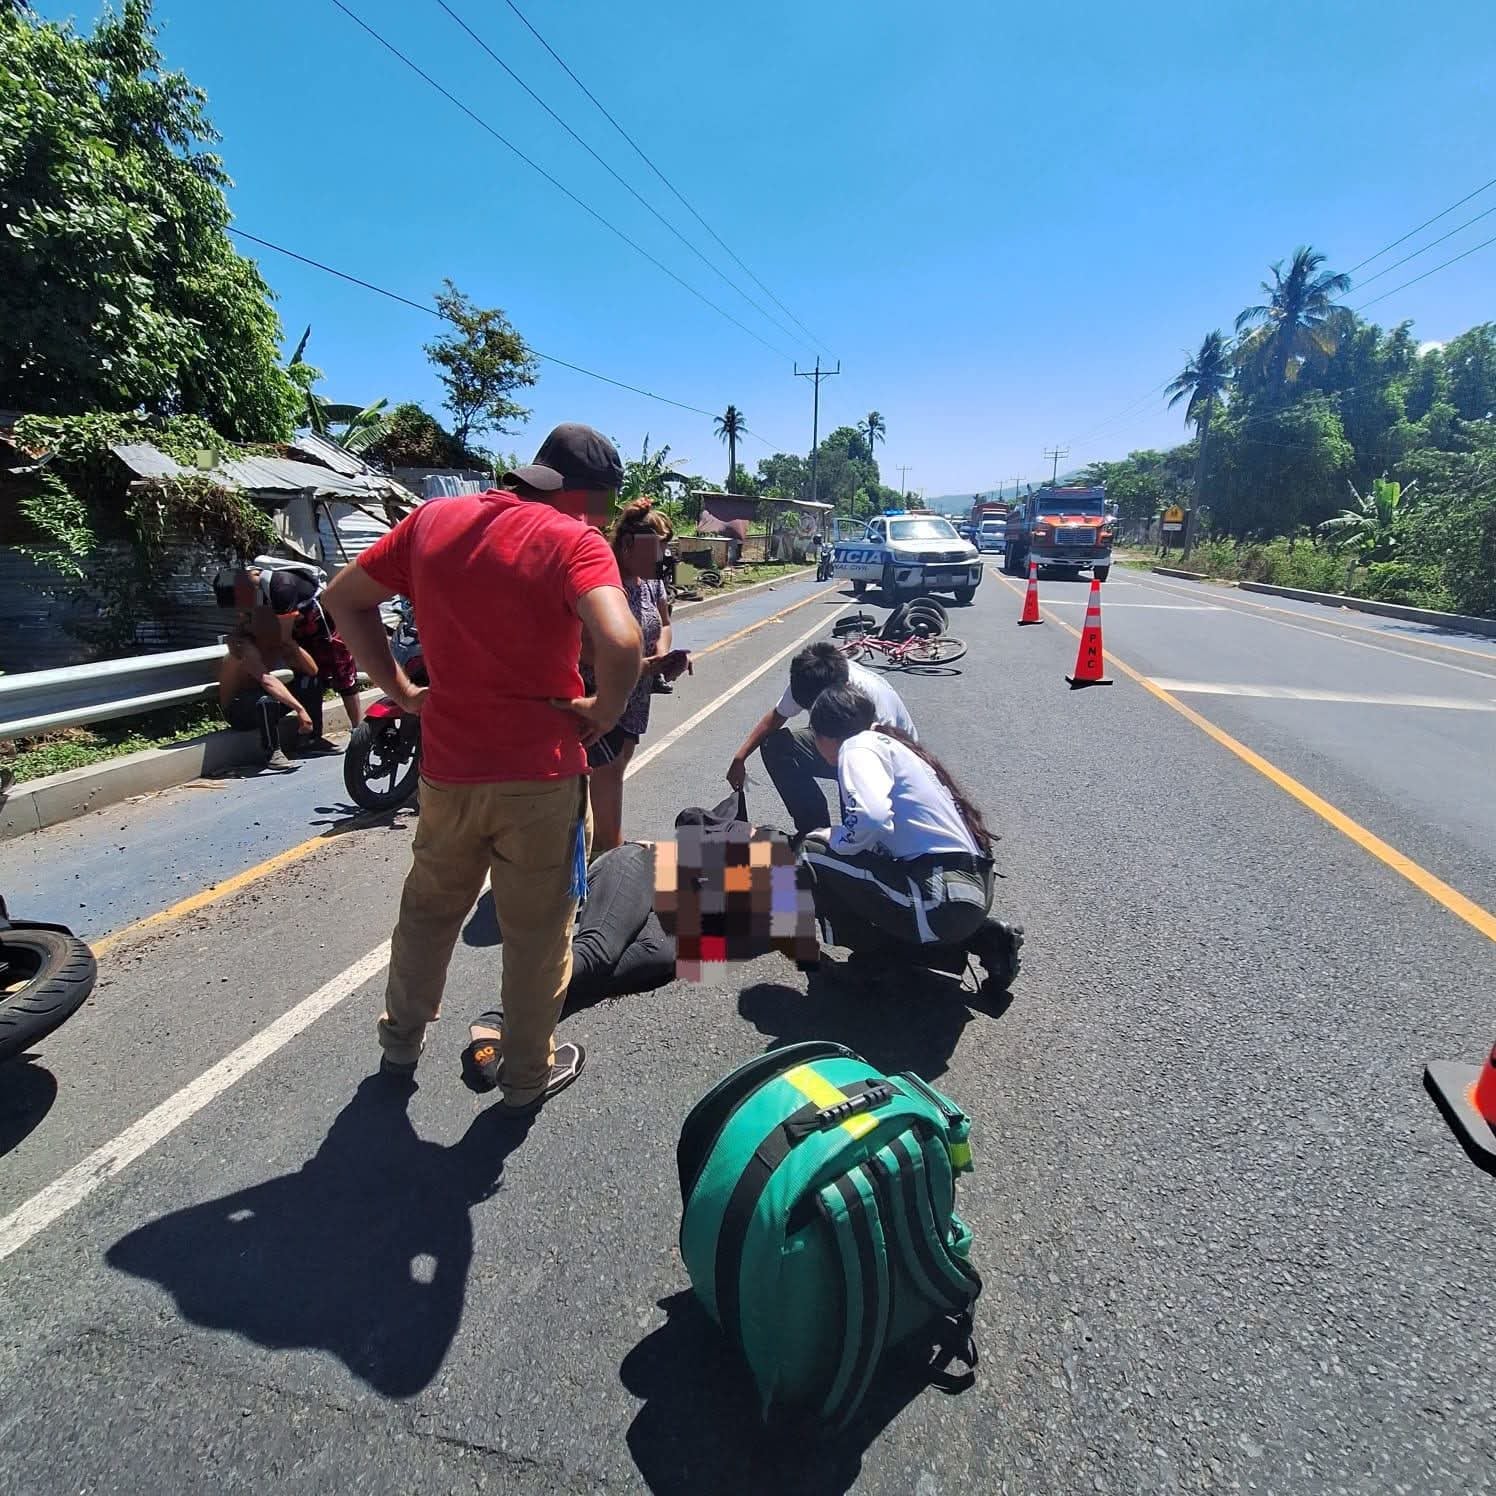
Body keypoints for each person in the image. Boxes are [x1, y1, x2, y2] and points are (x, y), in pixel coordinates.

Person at [321, 427, 643, 1114]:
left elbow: (343, 598)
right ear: (582, 494)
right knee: (536, 936)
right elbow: (621, 639)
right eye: (602, 505)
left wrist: (402, 693)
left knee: (428, 913)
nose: (600, 520)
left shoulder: (432, 521)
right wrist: (606, 710)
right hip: (541, 777)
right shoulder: (572, 539)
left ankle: (400, 1044)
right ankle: (526, 1076)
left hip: (448, 772)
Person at [797, 684, 1020, 986]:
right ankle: (985, 939)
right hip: (968, 892)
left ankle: (873, 955)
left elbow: (872, 817)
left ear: (824, 735)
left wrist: (833, 839)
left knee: (810, 853)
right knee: (866, 864)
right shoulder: (888, 743)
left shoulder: (856, 747)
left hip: (943, 901)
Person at [460, 840, 674, 1092]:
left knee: (658, 958)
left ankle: (515, 1023)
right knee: (599, 949)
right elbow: (696, 823)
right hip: (647, 865)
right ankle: (496, 1020)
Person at [584, 498, 690, 853]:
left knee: (615, 770)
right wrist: (638, 666)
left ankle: (602, 845)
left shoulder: (650, 584)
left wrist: (662, 655)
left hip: (636, 694)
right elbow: (583, 645)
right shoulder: (603, 583)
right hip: (601, 693)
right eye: (657, 547)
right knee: (607, 773)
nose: (662, 557)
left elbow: (664, 623)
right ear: (628, 545)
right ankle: (605, 854)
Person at [726, 641, 916, 835]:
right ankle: (813, 829)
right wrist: (740, 758)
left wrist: (851, 835)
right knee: (775, 745)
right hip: (846, 746)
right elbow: (777, 716)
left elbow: (876, 789)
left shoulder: (873, 703)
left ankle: (840, 846)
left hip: (888, 766)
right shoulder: (812, 677)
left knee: (859, 832)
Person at [215, 561, 362, 745]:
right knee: (266, 700)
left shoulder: (278, 591)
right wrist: (299, 709)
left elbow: (308, 668)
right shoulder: (244, 644)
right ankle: (276, 751)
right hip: (243, 703)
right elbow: (266, 678)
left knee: (327, 678)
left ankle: (339, 735)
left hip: (315, 624)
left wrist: (292, 648)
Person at [216, 613, 323, 770]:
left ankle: (310, 740)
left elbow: (312, 671)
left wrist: (291, 644)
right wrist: (299, 709)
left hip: (261, 699)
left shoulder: (275, 645)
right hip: (238, 710)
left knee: (310, 682)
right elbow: (267, 681)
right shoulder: (244, 648)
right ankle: (272, 752)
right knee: (266, 699)